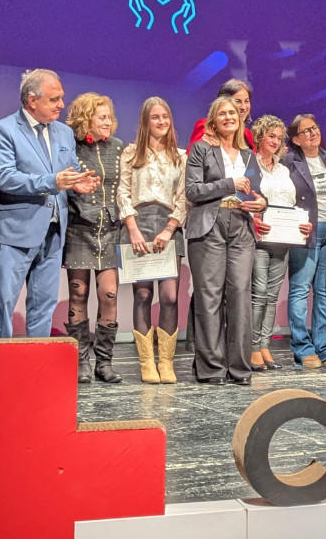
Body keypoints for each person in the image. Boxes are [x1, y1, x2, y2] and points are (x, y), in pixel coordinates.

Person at [0, 69, 99, 340]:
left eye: (61, 98)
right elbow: (5, 178)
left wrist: (77, 185)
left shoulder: (63, 133)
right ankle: (1, 373)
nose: (62, 104)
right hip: (15, 234)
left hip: (53, 233)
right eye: (54, 99)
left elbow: (66, 173)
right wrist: (53, 181)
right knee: (2, 305)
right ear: (32, 100)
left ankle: (36, 373)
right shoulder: (3, 130)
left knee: (43, 307)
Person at [185, 96, 266, 385]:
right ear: (214, 120)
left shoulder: (248, 155)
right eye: (222, 113)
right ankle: (210, 369)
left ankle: (240, 369)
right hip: (210, 224)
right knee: (209, 296)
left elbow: (255, 192)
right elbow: (192, 191)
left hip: (241, 226)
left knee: (241, 296)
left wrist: (261, 203)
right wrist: (229, 185)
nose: (229, 117)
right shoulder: (201, 149)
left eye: (233, 113)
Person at [118, 97, 187, 384]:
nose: (161, 122)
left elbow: (184, 197)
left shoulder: (180, 156)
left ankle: (166, 362)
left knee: (169, 296)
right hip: (138, 223)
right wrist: (133, 229)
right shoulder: (131, 154)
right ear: (145, 122)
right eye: (155, 117)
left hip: (169, 225)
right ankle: (147, 363)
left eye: (165, 117)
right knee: (143, 295)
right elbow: (122, 192)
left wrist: (169, 228)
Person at [282, 114, 326, 369]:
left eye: (315, 128)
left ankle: (323, 346)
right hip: (305, 235)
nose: (313, 134)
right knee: (300, 290)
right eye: (306, 131)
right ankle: (302, 347)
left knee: (325, 291)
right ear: (296, 140)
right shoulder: (289, 162)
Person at [63, 93, 124, 384]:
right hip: (79, 228)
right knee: (78, 293)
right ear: (85, 119)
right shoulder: (70, 148)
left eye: (109, 117)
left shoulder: (117, 148)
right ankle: (80, 363)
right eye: (101, 117)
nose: (108, 122)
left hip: (109, 229)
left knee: (109, 294)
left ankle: (105, 362)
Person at [250, 115, 312, 371]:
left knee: (272, 296)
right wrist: (252, 218)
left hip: (283, 239)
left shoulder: (284, 168)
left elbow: (291, 205)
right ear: (260, 137)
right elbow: (245, 199)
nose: (275, 141)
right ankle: (252, 347)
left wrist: (302, 224)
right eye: (270, 136)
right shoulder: (249, 165)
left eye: (279, 137)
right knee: (258, 293)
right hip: (259, 238)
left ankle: (264, 345)